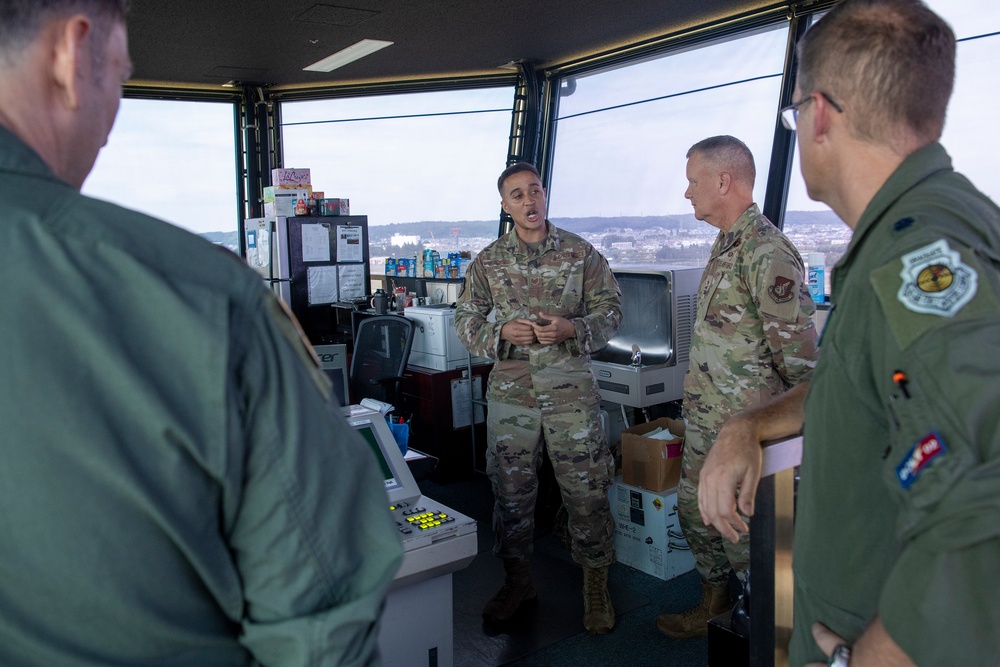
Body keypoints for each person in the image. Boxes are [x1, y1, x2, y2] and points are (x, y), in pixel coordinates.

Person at [0, 2, 402, 664]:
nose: (110, 123)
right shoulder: (200, 298)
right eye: (122, 76)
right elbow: (320, 624)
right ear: (71, 56)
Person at [696, 1, 1000, 665]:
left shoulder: (918, 259)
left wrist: (870, 657)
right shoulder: (921, 233)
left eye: (795, 113)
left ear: (822, 113)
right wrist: (747, 426)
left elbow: (989, 485)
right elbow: (868, 381)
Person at [655, 136, 818, 639]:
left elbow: (803, 367)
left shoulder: (767, 252)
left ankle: (763, 629)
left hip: (750, 434)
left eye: (693, 181)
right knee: (694, 513)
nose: (687, 193)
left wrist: (778, 438)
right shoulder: (727, 242)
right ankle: (715, 603)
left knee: (747, 539)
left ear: (723, 181)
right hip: (709, 426)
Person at [455, 162, 622, 635]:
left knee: (586, 491)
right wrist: (499, 333)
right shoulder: (488, 262)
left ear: (545, 195)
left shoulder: (580, 253)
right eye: (517, 195)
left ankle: (595, 583)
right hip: (512, 397)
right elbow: (465, 319)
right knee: (510, 493)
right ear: (505, 206)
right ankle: (518, 580)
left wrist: (575, 329)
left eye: (535, 190)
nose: (529, 201)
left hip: (571, 394)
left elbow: (611, 311)